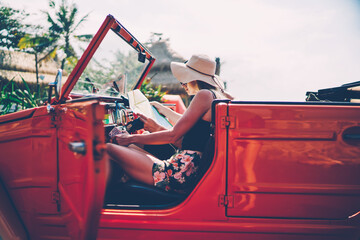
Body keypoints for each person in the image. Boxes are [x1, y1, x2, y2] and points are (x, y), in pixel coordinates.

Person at [106, 54, 232, 192]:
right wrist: (130, 140)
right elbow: (185, 126)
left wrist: (130, 137)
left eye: (184, 79)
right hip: (187, 169)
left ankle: (98, 200)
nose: (182, 84)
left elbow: (173, 135)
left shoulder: (204, 95)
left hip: (178, 172)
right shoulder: (214, 96)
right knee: (129, 146)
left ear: (193, 77)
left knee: (108, 148)